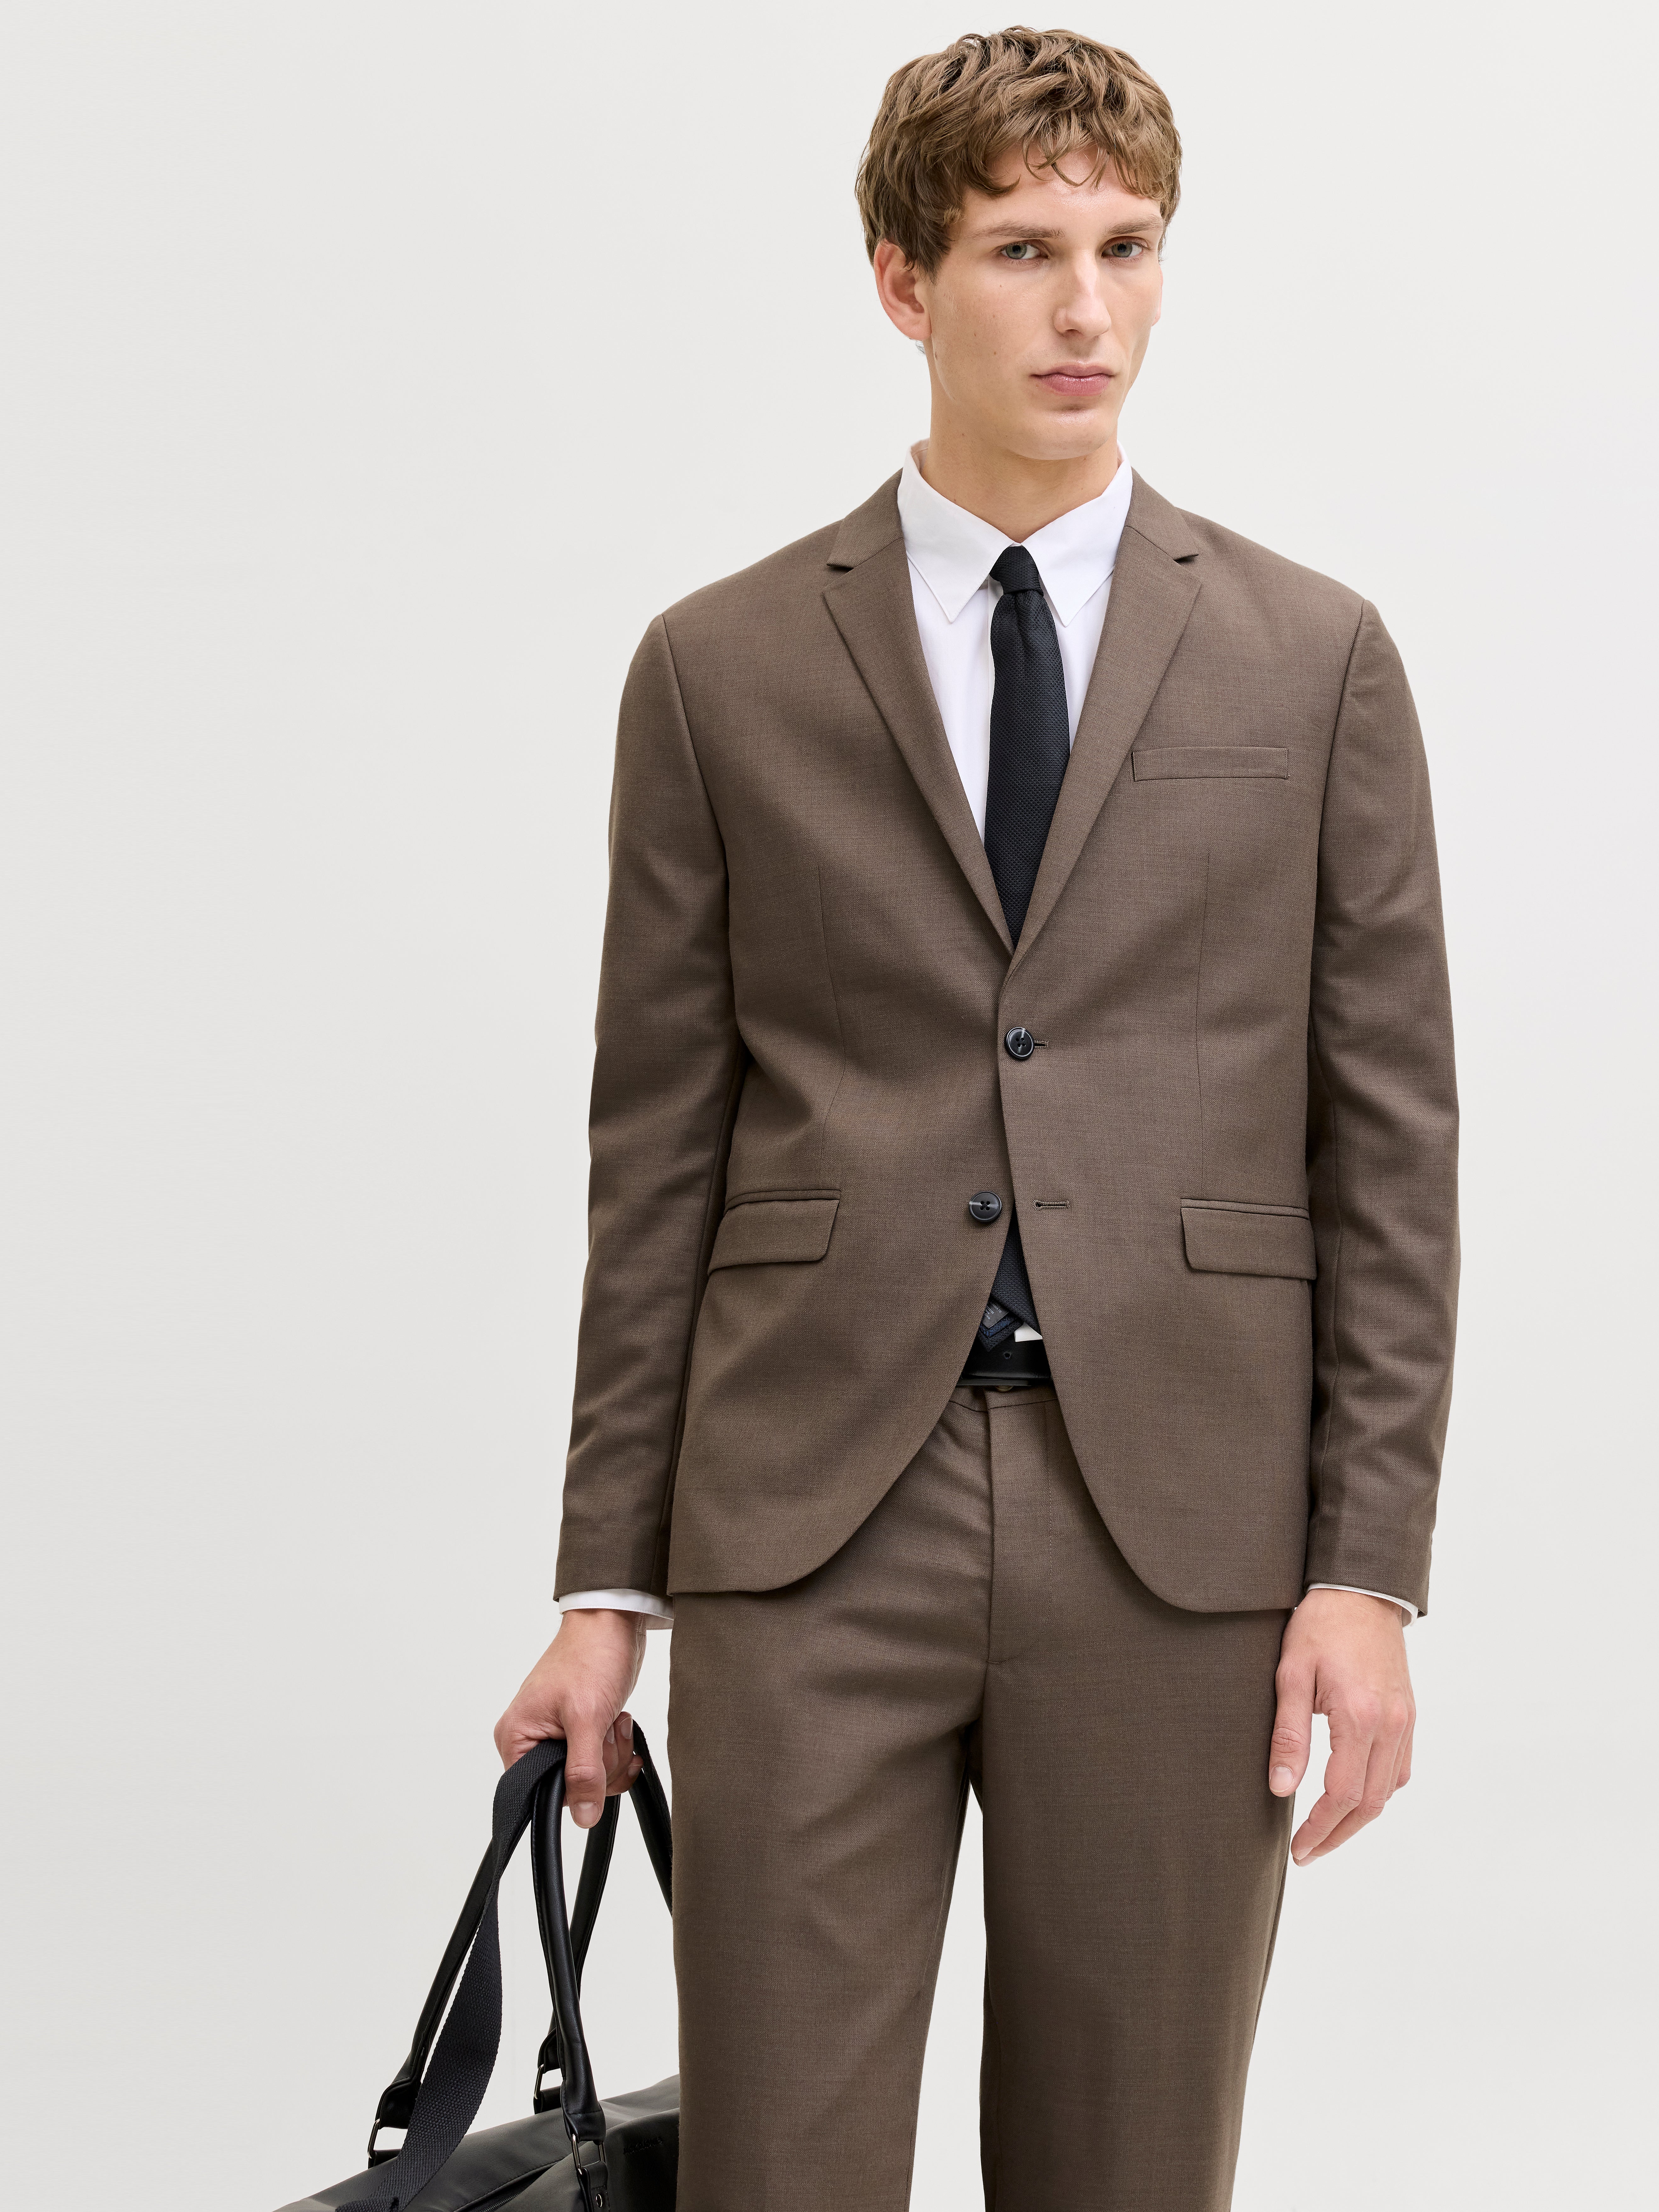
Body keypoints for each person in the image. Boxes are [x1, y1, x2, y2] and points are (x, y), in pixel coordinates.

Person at [496, 26, 1458, 2211]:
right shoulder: (719, 665)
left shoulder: (1312, 656)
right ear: (901, 279)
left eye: (1127, 247)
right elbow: (657, 1151)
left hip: (1181, 1523)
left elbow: (1389, 1141)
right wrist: (603, 1584)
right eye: (1023, 250)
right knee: (780, 2166)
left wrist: (1367, 1565)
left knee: (1129, 2167)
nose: (1086, 307)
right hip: (809, 1512)